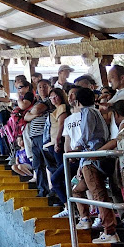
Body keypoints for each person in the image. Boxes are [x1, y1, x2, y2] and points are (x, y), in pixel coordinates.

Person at [71, 88, 118, 243]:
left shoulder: (88, 113)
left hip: (91, 159)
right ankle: (85, 218)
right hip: (88, 159)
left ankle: (110, 231)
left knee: (99, 195)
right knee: (77, 190)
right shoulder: (95, 111)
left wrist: (76, 148)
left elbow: (85, 135)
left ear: (78, 102)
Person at [51, 87, 82, 218]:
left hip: (83, 155)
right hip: (71, 156)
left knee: (58, 179)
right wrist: (68, 154)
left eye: (73, 94)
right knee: (61, 180)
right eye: (69, 94)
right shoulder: (70, 119)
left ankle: (81, 212)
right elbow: (67, 139)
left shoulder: (87, 114)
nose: (70, 97)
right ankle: (72, 209)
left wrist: (75, 152)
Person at [24, 80, 54, 197]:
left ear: (49, 87)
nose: (42, 89)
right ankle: (43, 190)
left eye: (45, 86)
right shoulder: (38, 102)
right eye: (40, 87)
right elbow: (26, 116)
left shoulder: (50, 100)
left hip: (44, 135)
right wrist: (35, 114)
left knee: (49, 163)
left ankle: (54, 189)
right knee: (38, 164)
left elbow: (34, 111)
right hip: (34, 136)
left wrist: (33, 113)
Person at [45, 87, 70, 168]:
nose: (53, 99)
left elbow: (61, 124)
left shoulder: (62, 107)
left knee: (61, 164)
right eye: (51, 97)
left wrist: (57, 140)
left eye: (55, 96)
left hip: (59, 140)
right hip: (52, 140)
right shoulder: (55, 109)